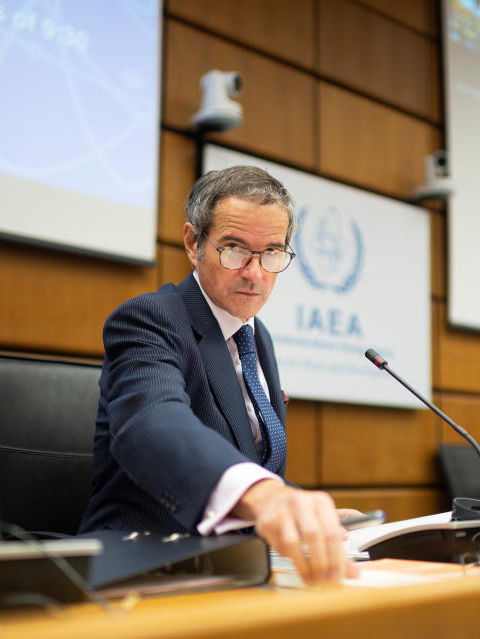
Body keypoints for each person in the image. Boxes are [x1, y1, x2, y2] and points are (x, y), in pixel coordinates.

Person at [79, 165, 359, 584]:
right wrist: (264, 497)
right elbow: (153, 423)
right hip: (143, 563)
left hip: (234, 564)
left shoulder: (255, 335)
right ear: (194, 243)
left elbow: (244, 457)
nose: (255, 273)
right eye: (234, 248)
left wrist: (298, 508)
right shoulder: (151, 318)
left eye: (272, 252)